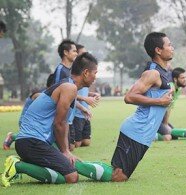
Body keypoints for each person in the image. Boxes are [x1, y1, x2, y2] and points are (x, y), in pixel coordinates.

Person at [1, 52, 112, 187]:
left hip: (34, 142)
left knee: (65, 174)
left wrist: (65, 151)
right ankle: (17, 165)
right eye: (95, 72)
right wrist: (65, 151)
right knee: (72, 176)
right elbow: (59, 123)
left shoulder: (70, 87)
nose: (96, 77)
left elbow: (63, 123)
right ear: (86, 72)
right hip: (31, 142)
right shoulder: (69, 88)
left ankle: (27, 163)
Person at [110, 32, 174, 182]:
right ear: (158, 50)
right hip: (136, 130)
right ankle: (72, 166)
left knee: (120, 175)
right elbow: (129, 97)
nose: (172, 48)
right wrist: (160, 102)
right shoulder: (153, 73)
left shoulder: (163, 72)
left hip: (144, 134)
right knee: (118, 176)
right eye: (169, 45)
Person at [3, 73, 55, 150]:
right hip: (26, 121)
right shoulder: (42, 94)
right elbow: (38, 97)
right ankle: (12, 136)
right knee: (35, 137)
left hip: (35, 121)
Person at [72, 44, 100, 148]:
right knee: (74, 145)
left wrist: (91, 94)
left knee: (86, 142)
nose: (95, 77)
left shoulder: (81, 80)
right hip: (77, 113)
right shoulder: (71, 80)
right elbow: (71, 93)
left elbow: (78, 92)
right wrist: (84, 100)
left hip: (84, 111)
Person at [155, 67, 186, 141]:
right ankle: (148, 135)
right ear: (175, 79)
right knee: (168, 137)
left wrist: (165, 124)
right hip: (154, 119)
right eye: (182, 78)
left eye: (185, 77)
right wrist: (165, 125)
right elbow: (167, 107)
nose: (185, 79)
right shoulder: (170, 88)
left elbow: (169, 108)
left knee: (175, 136)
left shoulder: (178, 89)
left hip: (160, 119)